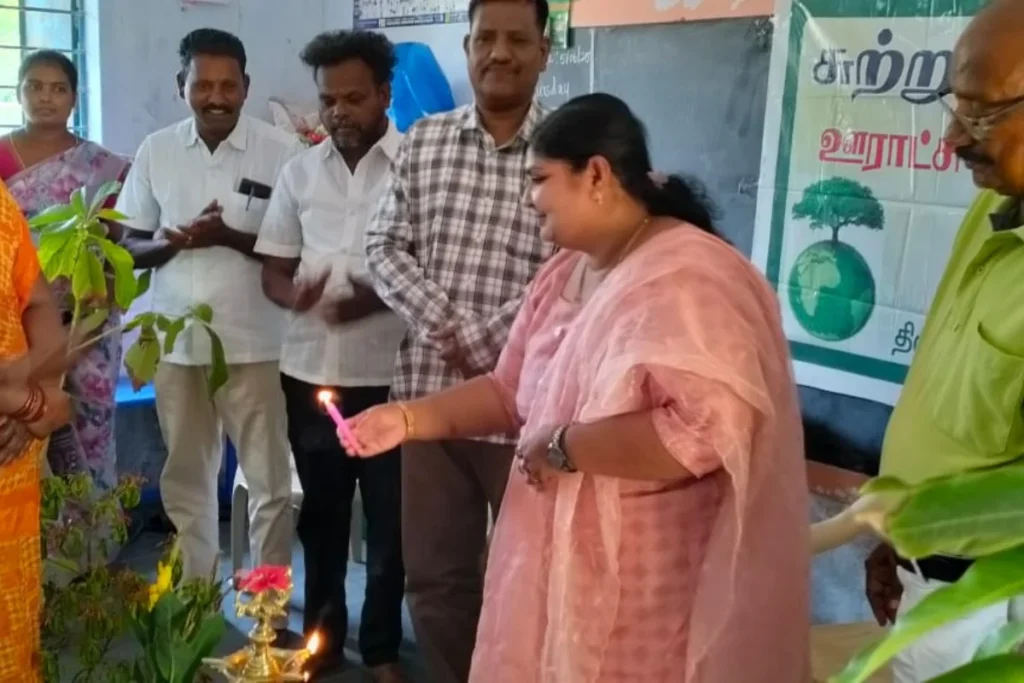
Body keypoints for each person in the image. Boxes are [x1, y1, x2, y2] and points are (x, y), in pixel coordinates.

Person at [351, 93, 811, 682]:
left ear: (595, 175)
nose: (528, 198)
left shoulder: (688, 278)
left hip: (647, 590)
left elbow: (705, 432)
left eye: (539, 179)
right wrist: (408, 420)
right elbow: (509, 389)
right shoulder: (567, 271)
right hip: (559, 568)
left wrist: (564, 447)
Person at [366, 1, 553, 679]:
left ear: (543, 51)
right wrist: (447, 327)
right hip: (427, 399)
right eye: (485, 39)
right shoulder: (424, 141)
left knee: (538, 578)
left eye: (517, 40)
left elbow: (571, 272)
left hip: (530, 412)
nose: (499, 53)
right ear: (467, 46)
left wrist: (481, 342)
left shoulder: (567, 150)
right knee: (437, 577)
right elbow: (383, 246)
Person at [865, 1, 1024, 679]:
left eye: (983, 115)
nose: (954, 137)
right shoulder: (996, 206)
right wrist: (903, 532)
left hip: (991, 615)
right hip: (927, 582)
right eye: (955, 106)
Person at [117, 29, 300, 616]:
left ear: (246, 86)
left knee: (269, 483)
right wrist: (172, 242)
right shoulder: (156, 150)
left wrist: (228, 236)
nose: (216, 97)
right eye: (203, 85)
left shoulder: (282, 151)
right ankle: (195, 601)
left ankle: (266, 606)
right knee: (187, 482)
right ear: (182, 86)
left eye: (228, 85)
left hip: (256, 345)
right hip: (178, 345)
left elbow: (297, 250)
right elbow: (128, 245)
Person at [256, 31, 407, 682]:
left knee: (390, 523)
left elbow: (432, 265)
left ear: (384, 94)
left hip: (394, 377)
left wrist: (372, 300)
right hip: (310, 371)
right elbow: (273, 267)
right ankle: (323, 639)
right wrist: (294, 295)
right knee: (321, 517)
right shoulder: (299, 172)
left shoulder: (416, 166)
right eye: (328, 100)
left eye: (353, 97)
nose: (339, 111)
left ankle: (381, 648)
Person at [0, 50, 130, 490]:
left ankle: (92, 529)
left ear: (75, 97)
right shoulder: (0, 157)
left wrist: (88, 313)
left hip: (87, 322)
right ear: (18, 93)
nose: (46, 98)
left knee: (89, 434)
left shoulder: (102, 167)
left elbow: (116, 247)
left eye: (58, 89)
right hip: (14, 325)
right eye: (35, 87)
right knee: (16, 433)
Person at [0, 180, 73, 682]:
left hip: (11, 475)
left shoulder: (1, 207)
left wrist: (41, 394)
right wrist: (25, 401)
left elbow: (38, 301)